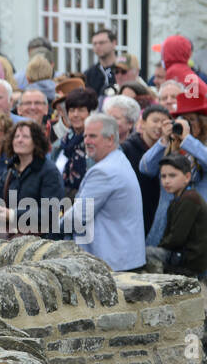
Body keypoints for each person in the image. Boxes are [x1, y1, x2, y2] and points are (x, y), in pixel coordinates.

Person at [139, 83, 207, 280]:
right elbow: (145, 167)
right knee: (159, 273)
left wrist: (187, 139)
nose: (185, 123)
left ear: (202, 122)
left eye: (191, 120)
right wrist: (164, 140)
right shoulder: (170, 145)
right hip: (167, 219)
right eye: (182, 119)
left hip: (200, 222)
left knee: (206, 280)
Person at [62, 113, 146, 271]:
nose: (86, 141)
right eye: (85, 136)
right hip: (122, 261)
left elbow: (77, 218)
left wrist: (44, 224)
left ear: (110, 139)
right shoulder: (116, 161)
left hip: (113, 266)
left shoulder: (105, 171)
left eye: (93, 136)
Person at [0, 120, 65, 238]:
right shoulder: (10, 171)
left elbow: (51, 213)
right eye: (16, 136)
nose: (19, 140)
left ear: (36, 142)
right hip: (11, 242)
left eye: (25, 137)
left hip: (41, 245)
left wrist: (12, 214)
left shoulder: (49, 171)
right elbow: (0, 202)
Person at [145, 153, 207, 275]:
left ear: (187, 177)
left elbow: (176, 238)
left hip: (188, 262)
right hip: (181, 256)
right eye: (163, 176)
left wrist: (160, 247)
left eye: (172, 176)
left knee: (142, 255)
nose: (166, 181)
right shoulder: (178, 199)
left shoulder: (190, 199)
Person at [121, 102, 169, 237]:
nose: (159, 126)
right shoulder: (127, 149)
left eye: (164, 122)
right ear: (143, 123)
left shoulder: (169, 150)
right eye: (155, 121)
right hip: (132, 211)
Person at [84, 28, 120, 97]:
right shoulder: (89, 73)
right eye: (94, 44)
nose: (97, 46)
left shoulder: (123, 70)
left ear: (114, 43)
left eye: (102, 43)